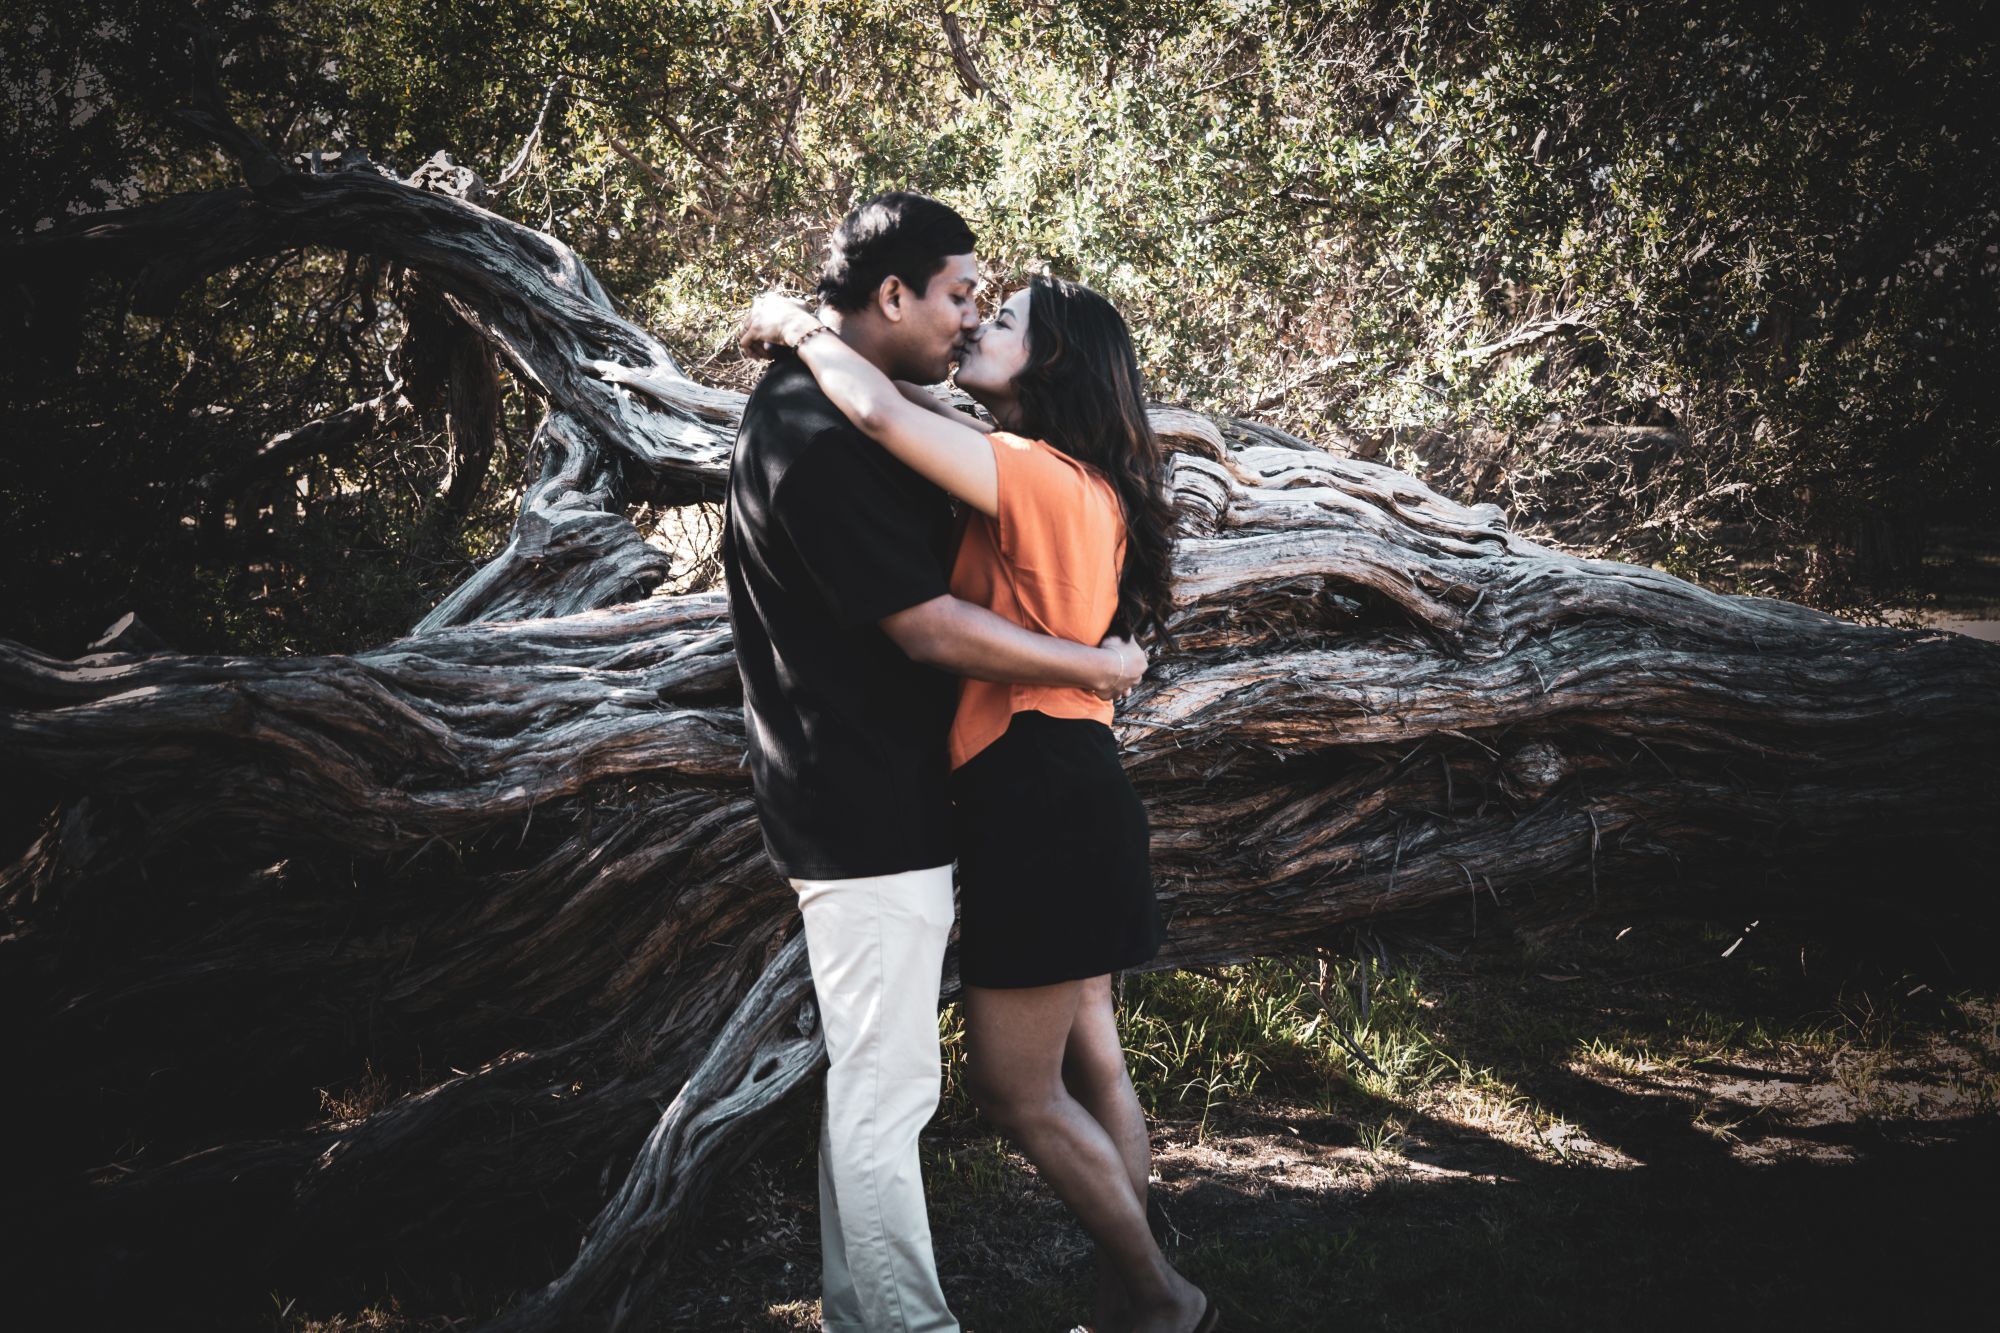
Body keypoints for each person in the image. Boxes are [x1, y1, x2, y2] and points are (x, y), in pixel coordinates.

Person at [606, 192, 1148, 1333]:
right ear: (892, 295)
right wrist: (1089, 664)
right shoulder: (817, 432)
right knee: (895, 1084)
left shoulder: (925, 435)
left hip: (961, 796)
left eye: (989, 312)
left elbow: (931, 460)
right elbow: (926, 624)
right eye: (960, 297)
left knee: (930, 1078)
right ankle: (918, 1323)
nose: (966, 320)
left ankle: (1117, 1298)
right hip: (866, 806)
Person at [741, 273, 1216, 1333]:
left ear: (1049, 363)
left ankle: (1161, 1296)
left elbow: (870, 408)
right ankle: (1128, 1304)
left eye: (1001, 322)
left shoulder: (1035, 474)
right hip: (1071, 785)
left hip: (1036, 796)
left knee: (1015, 1091)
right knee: (1091, 1054)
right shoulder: (1078, 479)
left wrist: (798, 324)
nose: (974, 327)